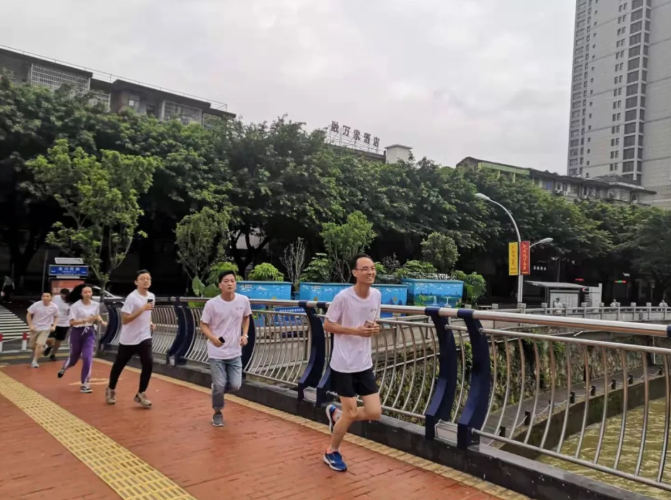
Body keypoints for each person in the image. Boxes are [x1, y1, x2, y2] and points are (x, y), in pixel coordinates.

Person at [323, 254, 382, 472]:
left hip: (364, 362)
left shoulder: (376, 295)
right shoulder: (343, 297)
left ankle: (337, 416)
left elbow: (372, 322)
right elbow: (328, 325)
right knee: (351, 412)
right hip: (343, 364)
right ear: (355, 273)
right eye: (365, 269)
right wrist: (355, 331)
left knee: (374, 412)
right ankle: (332, 452)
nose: (370, 272)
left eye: (372, 268)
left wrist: (374, 328)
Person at [200, 270, 251, 427]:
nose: (230, 283)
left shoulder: (243, 300)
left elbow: (246, 317)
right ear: (220, 285)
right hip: (216, 352)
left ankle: (217, 389)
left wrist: (245, 335)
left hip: (235, 351)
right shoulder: (212, 304)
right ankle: (217, 412)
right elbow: (203, 325)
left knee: (235, 385)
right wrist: (213, 338)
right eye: (226, 281)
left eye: (232, 281)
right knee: (220, 384)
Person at [106, 270, 155, 407]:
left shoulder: (151, 296)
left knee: (148, 363)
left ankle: (141, 394)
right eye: (142, 278)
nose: (146, 281)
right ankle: (111, 389)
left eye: (148, 278)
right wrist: (142, 309)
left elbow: (148, 314)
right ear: (136, 282)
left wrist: (150, 323)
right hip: (129, 339)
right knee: (119, 365)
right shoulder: (132, 298)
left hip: (144, 336)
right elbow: (125, 320)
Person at [57, 284, 107, 393]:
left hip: (89, 332)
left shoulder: (95, 304)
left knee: (87, 357)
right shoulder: (75, 306)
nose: (88, 294)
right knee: (74, 358)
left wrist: (101, 321)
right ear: (81, 294)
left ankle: (85, 384)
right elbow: (71, 322)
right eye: (85, 292)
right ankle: (64, 367)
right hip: (77, 333)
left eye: (90, 292)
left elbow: (96, 315)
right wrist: (85, 320)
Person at [26, 292, 59, 368]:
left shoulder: (54, 307)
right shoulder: (36, 305)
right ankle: (41, 348)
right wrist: (30, 325)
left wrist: (54, 326)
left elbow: (56, 316)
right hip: (35, 328)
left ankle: (34, 361)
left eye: (47, 296)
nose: (45, 298)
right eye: (44, 296)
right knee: (31, 346)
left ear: (51, 298)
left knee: (39, 345)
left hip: (46, 328)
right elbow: (28, 314)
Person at [43, 288, 71, 361]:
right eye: (63, 295)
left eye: (66, 295)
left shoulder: (70, 301)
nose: (64, 297)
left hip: (64, 323)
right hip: (53, 321)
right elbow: (49, 305)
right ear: (60, 294)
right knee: (48, 339)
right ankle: (50, 346)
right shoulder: (56, 298)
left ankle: (53, 354)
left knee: (59, 341)